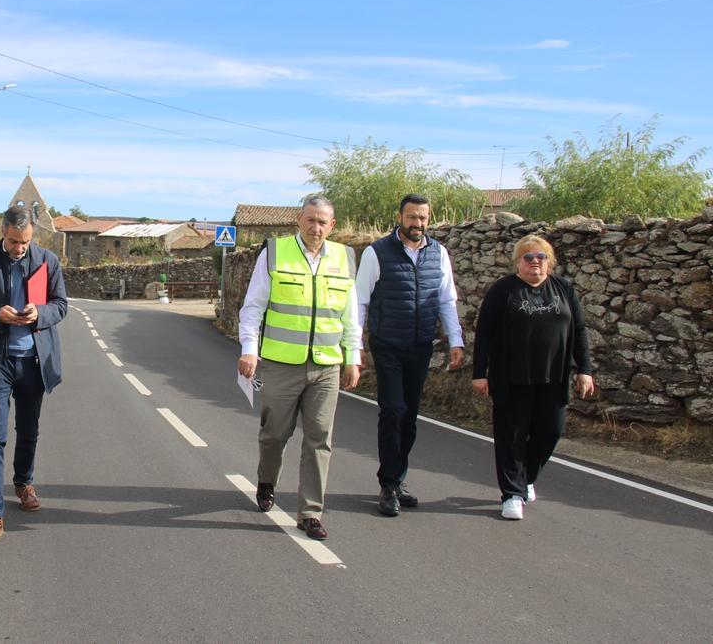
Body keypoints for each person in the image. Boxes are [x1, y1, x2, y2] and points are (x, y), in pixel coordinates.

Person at [237, 195, 361, 540]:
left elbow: (351, 315)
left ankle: (310, 512)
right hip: (281, 363)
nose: (316, 227)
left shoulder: (345, 257)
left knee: (320, 439)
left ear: (332, 225)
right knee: (274, 434)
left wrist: (353, 357)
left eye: (323, 222)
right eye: (310, 220)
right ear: (298, 220)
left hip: (326, 365)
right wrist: (250, 350)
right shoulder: (275, 252)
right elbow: (253, 308)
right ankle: (266, 480)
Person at [0, 206, 68, 543]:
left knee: (28, 429)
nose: (19, 248)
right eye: (13, 241)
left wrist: (40, 313)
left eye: (24, 242)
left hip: (33, 362)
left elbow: (61, 305)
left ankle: (23, 482)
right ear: (3, 233)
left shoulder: (47, 261)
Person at [355, 193, 465, 517]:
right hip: (387, 343)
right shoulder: (377, 252)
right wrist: (355, 346)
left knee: (411, 416)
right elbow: (360, 301)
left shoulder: (439, 253)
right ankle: (388, 484)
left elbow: (447, 300)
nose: (417, 224)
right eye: (412, 217)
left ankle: (398, 478)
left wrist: (455, 341)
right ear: (400, 217)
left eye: (423, 218)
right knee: (393, 410)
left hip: (420, 345)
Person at [471, 234, 595, 521]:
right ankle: (512, 494)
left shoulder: (563, 289)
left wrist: (585, 370)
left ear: (549, 262)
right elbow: (485, 334)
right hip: (511, 377)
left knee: (551, 430)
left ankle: (525, 477)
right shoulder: (503, 290)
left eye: (541, 257)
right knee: (511, 436)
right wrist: (480, 373)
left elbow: (580, 331)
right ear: (518, 262)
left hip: (553, 377)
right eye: (528, 257)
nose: (535, 262)